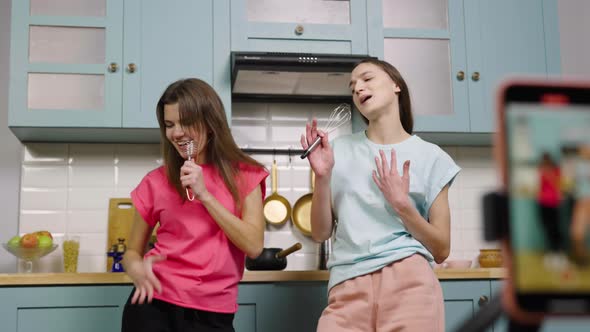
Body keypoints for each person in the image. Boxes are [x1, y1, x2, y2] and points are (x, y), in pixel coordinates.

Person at [300, 58, 460, 331]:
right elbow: (320, 233)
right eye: (352, 87)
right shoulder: (335, 152)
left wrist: (402, 206)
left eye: (366, 78)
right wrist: (323, 177)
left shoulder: (432, 157)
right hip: (347, 287)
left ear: (396, 85)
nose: (358, 88)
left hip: (410, 286)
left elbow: (442, 249)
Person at [121, 78, 268, 332]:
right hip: (153, 305)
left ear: (211, 123)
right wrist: (135, 268)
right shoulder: (156, 181)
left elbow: (254, 246)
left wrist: (205, 195)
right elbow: (132, 252)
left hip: (213, 313)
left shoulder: (246, 175)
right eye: (169, 125)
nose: (176, 133)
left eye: (186, 122)